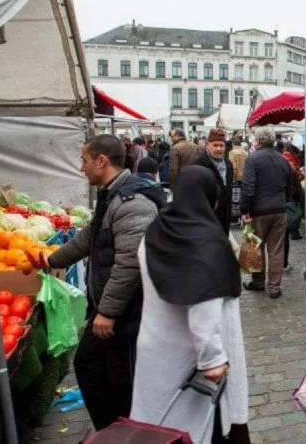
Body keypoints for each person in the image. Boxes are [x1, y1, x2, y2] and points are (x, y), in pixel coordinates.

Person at [45, 135, 161, 430]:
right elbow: (89, 236)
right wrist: (51, 260)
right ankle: (113, 432)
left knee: (119, 382)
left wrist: (107, 312)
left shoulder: (132, 202)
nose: (81, 168)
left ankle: (126, 433)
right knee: (92, 369)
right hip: (112, 310)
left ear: (101, 161)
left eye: (84, 160)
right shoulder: (112, 195)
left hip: (128, 312)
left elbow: (129, 263)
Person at [133, 167, 251, 443]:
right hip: (193, 363)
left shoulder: (155, 233)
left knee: (160, 427)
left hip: (156, 349)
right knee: (198, 429)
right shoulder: (205, 241)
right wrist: (212, 358)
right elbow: (203, 302)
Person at [240, 129, 293, 299]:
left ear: (258, 141)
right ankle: (274, 287)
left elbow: (248, 187)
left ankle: (258, 282)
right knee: (276, 250)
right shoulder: (283, 159)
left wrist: (244, 210)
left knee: (256, 247)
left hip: (258, 211)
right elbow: (290, 185)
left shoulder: (252, 158)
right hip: (279, 209)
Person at [191, 128, 235, 234]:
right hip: (206, 217)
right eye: (215, 145)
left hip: (225, 215)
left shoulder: (228, 164)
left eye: (221, 145)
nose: (219, 149)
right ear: (207, 145)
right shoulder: (198, 164)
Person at [228, 138, 248, 226]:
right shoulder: (246, 153)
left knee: (235, 199)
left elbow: (233, 166)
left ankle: (235, 218)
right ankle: (243, 216)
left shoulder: (232, 152)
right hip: (246, 178)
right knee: (243, 198)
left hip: (237, 178)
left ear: (233, 144)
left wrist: (232, 179)